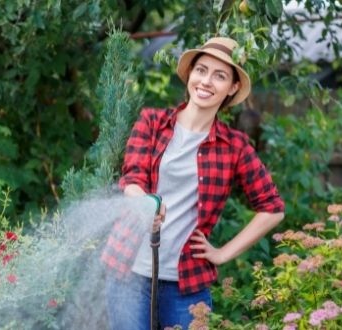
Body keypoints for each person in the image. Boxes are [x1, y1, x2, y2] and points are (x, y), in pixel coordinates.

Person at [103, 37, 285, 329]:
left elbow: (273, 209)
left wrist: (222, 253)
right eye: (202, 70)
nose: (206, 81)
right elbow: (132, 179)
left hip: (186, 284)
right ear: (190, 74)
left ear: (233, 87)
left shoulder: (234, 146)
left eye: (220, 75)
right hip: (130, 273)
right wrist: (145, 203)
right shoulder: (152, 122)